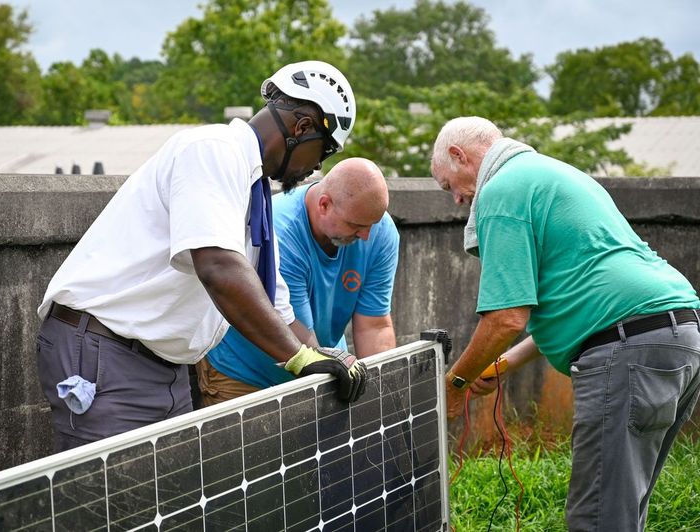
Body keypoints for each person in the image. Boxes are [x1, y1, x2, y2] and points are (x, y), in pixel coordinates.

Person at [35, 60, 368, 453]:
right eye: (324, 152)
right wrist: (299, 359)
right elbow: (218, 267)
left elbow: (276, 305)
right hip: (106, 350)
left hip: (161, 365)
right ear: (303, 127)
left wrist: (321, 355)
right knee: (113, 504)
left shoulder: (252, 189)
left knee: (164, 504)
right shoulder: (213, 151)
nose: (317, 166)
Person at [431, 116, 700, 531]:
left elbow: (506, 319)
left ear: (458, 155)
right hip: (679, 333)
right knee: (624, 509)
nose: (456, 200)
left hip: (629, 345)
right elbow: (576, 302)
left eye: (448, 186)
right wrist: (500, 367)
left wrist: (455, 385)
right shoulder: (552, 174)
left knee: (598, 517)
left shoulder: (501, 190)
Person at [197, 157, 400, 406]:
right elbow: (298, 335)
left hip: (322, 361)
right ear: (324, 205)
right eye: (356, 225)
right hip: (245, 371)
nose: (366, 235)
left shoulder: (379, 230)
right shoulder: (280, 231)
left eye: (372, 225)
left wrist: (384, 397)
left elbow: (374, 325)